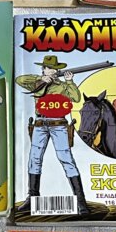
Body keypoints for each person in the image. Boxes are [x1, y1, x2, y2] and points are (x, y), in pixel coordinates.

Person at [15, 55, 87, 214]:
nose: (53, 71)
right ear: (44, 69)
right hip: (40, 123)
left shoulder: (62, 85)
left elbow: (76, 98)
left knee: (66, 159)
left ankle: (81, 202)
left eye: (55, 68)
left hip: (58, 124)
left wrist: (69, 81)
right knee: (34, 159)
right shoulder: (36, 82)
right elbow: (19, 80)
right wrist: (41, 79)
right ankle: (32, 198)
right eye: (49, 68)